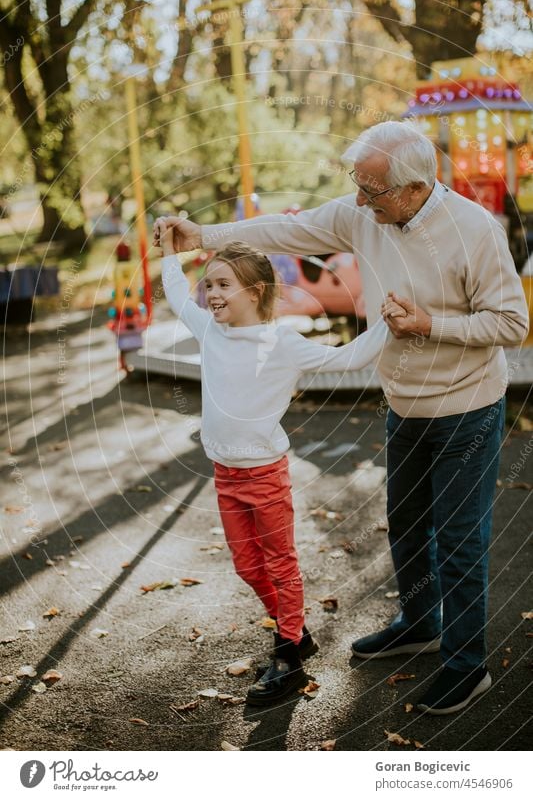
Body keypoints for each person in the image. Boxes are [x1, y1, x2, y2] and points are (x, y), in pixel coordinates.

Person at [154, 120, 529, 715]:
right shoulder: (365, 214)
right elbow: (290, 229)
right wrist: (202, 234)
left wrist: (430, 325)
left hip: (467, 409)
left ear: (411, 189)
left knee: (458, 540)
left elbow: (511, 324)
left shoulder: (474, 231)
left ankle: (466, 664)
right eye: (357, 183)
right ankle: (419, 621)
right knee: (404, 525)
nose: (358, 199)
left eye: (371, 189)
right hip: (403, 405)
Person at [155, 229, 401, 706]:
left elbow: (347, 358)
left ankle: (288, 653)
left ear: (256, 291)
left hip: (265, 476)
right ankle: (295, 631)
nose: (213, 293)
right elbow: (175, 292)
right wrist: (169, 252)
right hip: (225, 475)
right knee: (248, 566)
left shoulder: (281, 342)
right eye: (209, 284)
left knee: (281, 564)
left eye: (225, 284)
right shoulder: (209, 330)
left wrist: (386, 322)